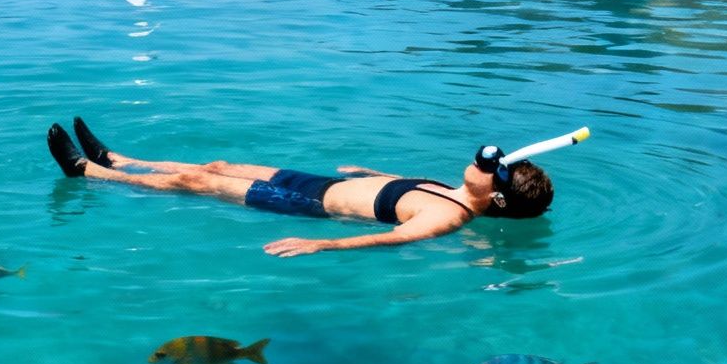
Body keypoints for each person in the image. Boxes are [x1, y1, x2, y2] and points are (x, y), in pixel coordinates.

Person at [45, 118, 554, 257]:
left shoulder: (450, 218)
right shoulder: (452, 190)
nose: (485, 163)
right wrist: (368, 172)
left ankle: (89, 173)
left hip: (307, 205)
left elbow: (393, 238)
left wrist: (323, 243)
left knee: (197, 182)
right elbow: (404, 188)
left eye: (497, 170)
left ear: (497, 197)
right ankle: (119, 157)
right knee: (221, 163)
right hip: (321, 182)